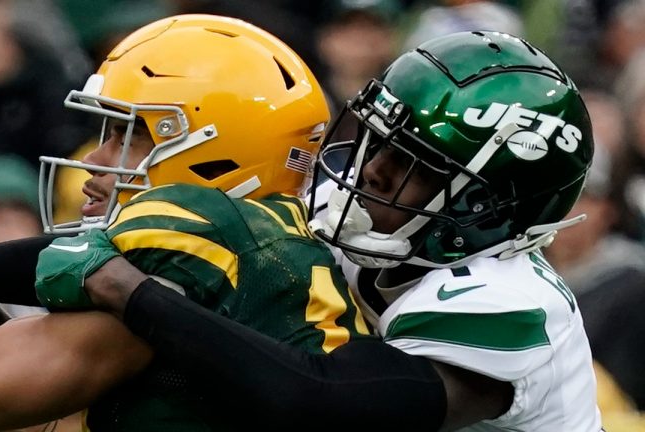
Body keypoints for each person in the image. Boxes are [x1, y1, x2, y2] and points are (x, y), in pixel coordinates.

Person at [34, 31, 604, 430]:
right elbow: (157, 246)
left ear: (484, 206)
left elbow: (323, 402)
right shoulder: (375, 220)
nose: (372, 166)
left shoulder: (509, 304)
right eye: (378, 139)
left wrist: (126, 290)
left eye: (413, 163)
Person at [0, 14, 384, 431]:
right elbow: (21, 415)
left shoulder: (195, 244)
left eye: (131, 136)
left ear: (219, 156)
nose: (96, 160)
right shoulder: (259, 244)